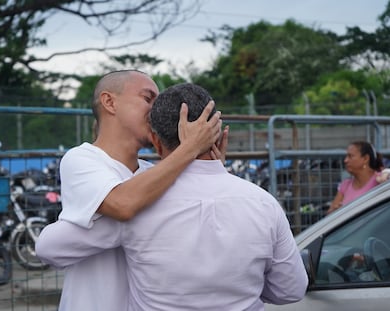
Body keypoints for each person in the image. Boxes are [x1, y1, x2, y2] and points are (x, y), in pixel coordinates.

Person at [37, 83, 308, 310]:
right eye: (147, 97)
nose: (150, 107)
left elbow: (49, 247)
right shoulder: (263, 204)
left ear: (156, 141)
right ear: (219, 133)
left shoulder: (145, 199)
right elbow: (291, 289)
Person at [35, 70, 226, 311]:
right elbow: (123, 204)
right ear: (109, 102)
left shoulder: (154, 172)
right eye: (148, 99)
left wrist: (212, 172)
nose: (157, 110)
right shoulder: (82, 158)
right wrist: (190, 149)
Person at [328, 140, 387, 214]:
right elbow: (330, 214)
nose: (345, 160)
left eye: (350, 156)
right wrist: (336, 211)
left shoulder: (381, 180)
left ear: (365, 158)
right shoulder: (345, 185)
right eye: (346, 156)